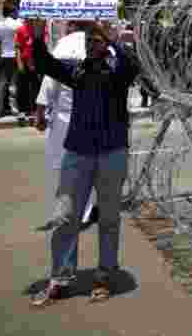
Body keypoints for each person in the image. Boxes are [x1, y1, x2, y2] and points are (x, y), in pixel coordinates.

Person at [30, 19, 139, 307]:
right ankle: (60, 278)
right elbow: (45, 64)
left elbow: (133, 65)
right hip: (77, 153)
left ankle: (104, 277)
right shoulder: (78, 72)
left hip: (112, 154)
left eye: (97, 41)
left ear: (107, 47)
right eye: (88, 41)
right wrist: (38, 35)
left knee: (108, 219)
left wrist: (113, 37)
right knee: (65, 217)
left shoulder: (117, 72)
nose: (91, 45)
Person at [35, 23, 102, 231]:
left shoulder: (63, 46)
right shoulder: (99, 47)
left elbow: (49, 83)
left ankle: (70, 209)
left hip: (65, 118)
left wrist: (40, 114)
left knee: (65, 165)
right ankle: (86, 208)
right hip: (91, 116)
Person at [15, 16, 44, 124]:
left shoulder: (40, 30)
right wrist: (19, 63)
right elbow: (18, 48)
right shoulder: (21, 30)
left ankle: (34, 111)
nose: (32, 20)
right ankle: (22, 110)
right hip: (24, 62)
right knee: (22, 87)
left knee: (36, 87)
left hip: (36, 63)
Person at [0, 7, 21, 117]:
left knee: (2, 83)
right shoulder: (17, 24)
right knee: (13, 83)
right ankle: (14, 108)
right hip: (14, 55)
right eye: (16, 11)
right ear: (11, 12)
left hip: (3, 55)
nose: (17, 13)